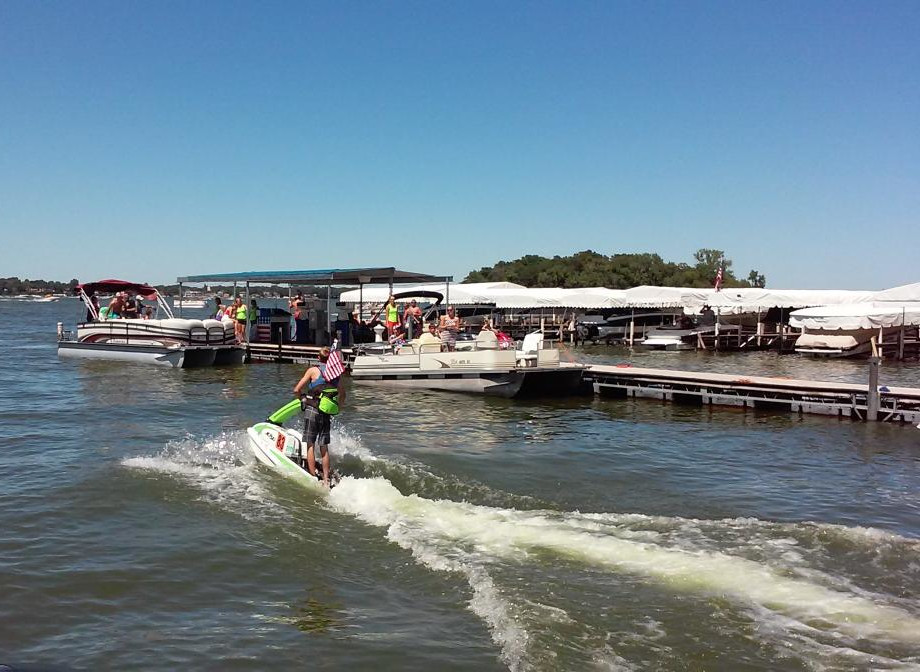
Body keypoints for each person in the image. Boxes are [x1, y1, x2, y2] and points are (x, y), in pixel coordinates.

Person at [293, 347, 345, 488]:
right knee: (324, 447)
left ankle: (312, 476)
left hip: (312, 410)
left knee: (310, 444)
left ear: (318, 358)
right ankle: (326, 479)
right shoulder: (336, 375)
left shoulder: (313, 370)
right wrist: (338, 409)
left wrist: (302, 399)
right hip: (326, 412)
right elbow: (343, 394)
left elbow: (296, 390)